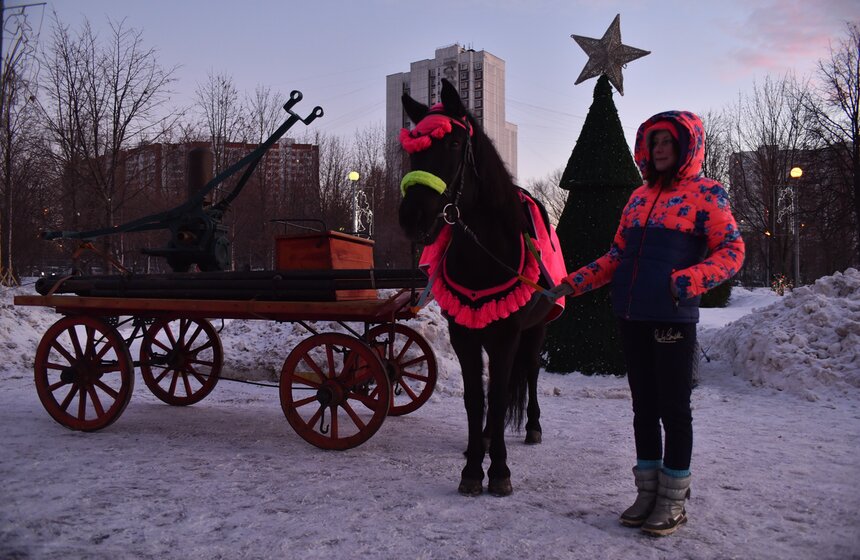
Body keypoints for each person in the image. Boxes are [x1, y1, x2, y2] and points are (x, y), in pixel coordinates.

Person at [548, 110, 745, 536]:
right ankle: (647, 491)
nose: (658, 150)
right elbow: (616, 256)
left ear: (686, 147)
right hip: (631, 315)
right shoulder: (637, 197)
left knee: (674, 409)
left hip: (671, 316)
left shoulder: (708, 194)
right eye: (653, 142)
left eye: (667, 143)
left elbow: (732, 252)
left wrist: (687, 281)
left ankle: (673, 499)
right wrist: (570, 284)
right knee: (643, 409)